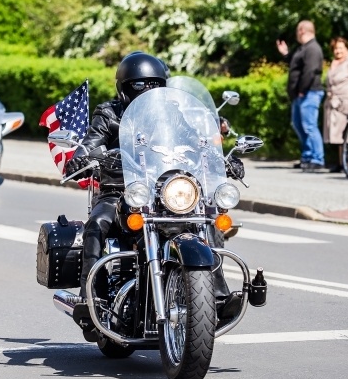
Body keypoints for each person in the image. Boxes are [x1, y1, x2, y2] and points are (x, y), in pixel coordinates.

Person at [63, 52, 244, 330]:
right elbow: (92, 141)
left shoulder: (172, 114)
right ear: (125, 87)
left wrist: (224, 159)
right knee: (97, 224)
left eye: (153, 85)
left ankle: (217, 297)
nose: (147, 91)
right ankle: (92, 300)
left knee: (207, 221)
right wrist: (83, 155)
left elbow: (197, 141)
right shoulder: (108, 113)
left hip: (165, 192)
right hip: (122, 191)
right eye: (139, 85)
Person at [277, 20, 325, 172]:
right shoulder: (303, 49)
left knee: (310, 126)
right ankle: (307, 157)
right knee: (299, 125)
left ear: (302, 30)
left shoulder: (313, 48)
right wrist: (286, 54)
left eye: (298, 30)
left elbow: (310, 71)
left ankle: (318, 159)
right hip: (301, 95)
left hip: (309, 92)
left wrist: (302, 90)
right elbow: (295, 64)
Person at [323, 37, 348, 172]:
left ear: (347, 48)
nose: (338, 51)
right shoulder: (334, 63)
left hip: (347, 102)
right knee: (339, 135)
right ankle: (341, 162)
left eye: (341, 48)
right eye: (335, 48)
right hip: (333, 103)